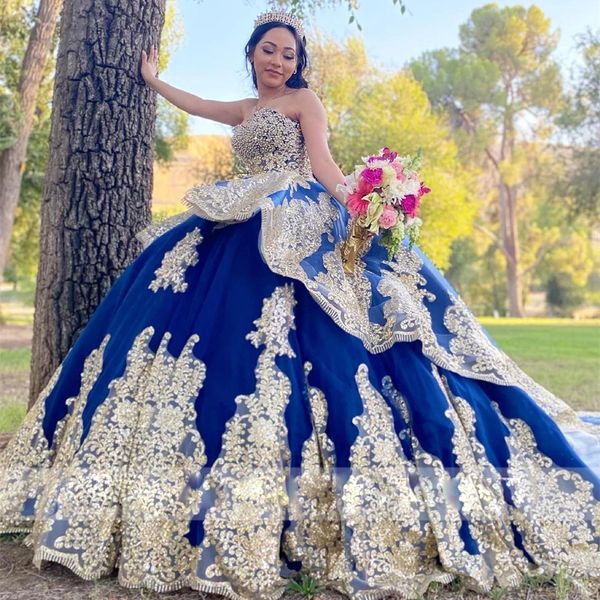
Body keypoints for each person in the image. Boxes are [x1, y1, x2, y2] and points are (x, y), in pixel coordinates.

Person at [1, 10, 598, 600]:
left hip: (298, 220)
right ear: (253, 53)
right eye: (270, 50)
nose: (279, 61)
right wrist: (155, 82)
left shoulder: (304, 104)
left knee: (341, 337)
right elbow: (202, 107)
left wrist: (365, 207)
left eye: (289, 54)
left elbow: (324, 164)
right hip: (236, 218)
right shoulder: (246, 110)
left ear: (298, 63)